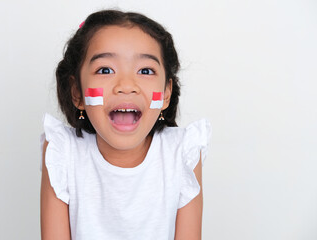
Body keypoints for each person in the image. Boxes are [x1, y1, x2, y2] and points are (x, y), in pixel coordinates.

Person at [40, 9, 211, 240]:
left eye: (145, 70)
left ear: (166, 94)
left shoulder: (182, 153)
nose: (127, 85)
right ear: (77, 92)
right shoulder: (62, 153)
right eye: (105, 69)